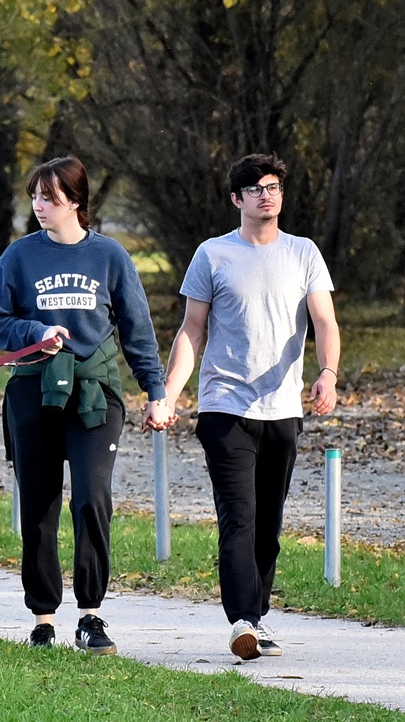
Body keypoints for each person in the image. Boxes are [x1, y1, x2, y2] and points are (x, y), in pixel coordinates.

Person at [0, 156, 172, 654]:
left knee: (91, 497)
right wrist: (34, 332)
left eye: (50, 198)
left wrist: (156, 392)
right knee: (38, 504)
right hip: (33, 392)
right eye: (35, 197)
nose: (39, 206)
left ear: (76, 201)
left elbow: (137, 330)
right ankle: (43, 620)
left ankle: (91, 615)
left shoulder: (109, 256)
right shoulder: (19, 256)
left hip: (94, 395)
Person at [156, 152, 340, 660]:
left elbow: (324, 321)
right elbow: (192, 331)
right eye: (256, 188)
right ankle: (242, 620)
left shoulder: (303, 253)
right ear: (237, 198)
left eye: (273, 186)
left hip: (282, 409)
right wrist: (168, 395)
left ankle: (256, 616)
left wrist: (327, 373)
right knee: (239, 516)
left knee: (268, 524)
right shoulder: (213, 254)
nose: (267, 195)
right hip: (224, 407)